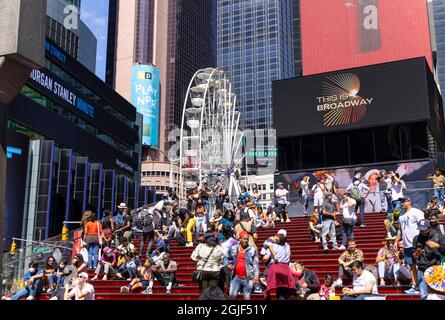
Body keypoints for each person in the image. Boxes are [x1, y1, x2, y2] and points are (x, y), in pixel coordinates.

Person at [396, 197, 424, 295]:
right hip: (406, 244)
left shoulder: (417, 212)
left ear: (409, 201)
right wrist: (396, 241)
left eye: (404, 201)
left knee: (420, 266)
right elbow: (400, 230)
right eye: (401, 202)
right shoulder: (401, 216)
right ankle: (414, 286)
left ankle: (422, 287)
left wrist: (421, 242)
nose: (402, 203)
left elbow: (423, 226)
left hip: (417, 243)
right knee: (412, 266)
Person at [412, 219, 442, 300]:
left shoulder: (437, 236)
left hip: (435, 268)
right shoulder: (416, 238)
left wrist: (437, 246)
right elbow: (414, 256)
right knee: (423, 295)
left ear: (429, 228)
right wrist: (417, 253)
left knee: (436, 295)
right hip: (422, 268)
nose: (422, 232)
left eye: (424, 229)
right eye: (420, 230)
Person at [263, 229, 295, 300]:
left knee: (272, 288)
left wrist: (264, 257)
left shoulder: (273, 246)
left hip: (275, 268)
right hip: (285, 269)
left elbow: (265, 257)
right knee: (283, 289)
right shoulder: (287, 245)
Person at [227, 231, 260, 300]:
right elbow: (226, 257)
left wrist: (256, 276)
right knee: (232, 295)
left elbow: (255, 264)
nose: (246, 240)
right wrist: (228, 264)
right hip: (236, 277)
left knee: (247, 297)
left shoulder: (252, 250)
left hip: (248, 278)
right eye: (244, 239)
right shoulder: (233, 248)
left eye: (247, 239)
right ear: (240, 239)